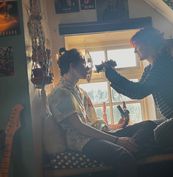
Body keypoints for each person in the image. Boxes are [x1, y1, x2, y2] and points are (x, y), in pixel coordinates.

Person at [48, 48, 157, 177]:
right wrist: (117, 140)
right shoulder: (61, 93)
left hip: (95, 134)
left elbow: (91, 122)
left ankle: (131, 148)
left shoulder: (79, 91)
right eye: (84, 64)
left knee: (149, 125)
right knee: (123, 156)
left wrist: (115, 128)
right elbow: (80, 127)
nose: (87, 68)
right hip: (83, 141)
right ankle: (130, 152)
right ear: (72, 66)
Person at [104, 27, 173, 153]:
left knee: (160, 133)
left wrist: (113, 75)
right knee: (147, 125)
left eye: (137, 46)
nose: (135, 51)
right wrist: (113, 75)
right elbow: (135, 91)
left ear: (148, 44)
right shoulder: (150, 69)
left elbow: (138, 92)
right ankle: (118, 142)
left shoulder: (164, 63)